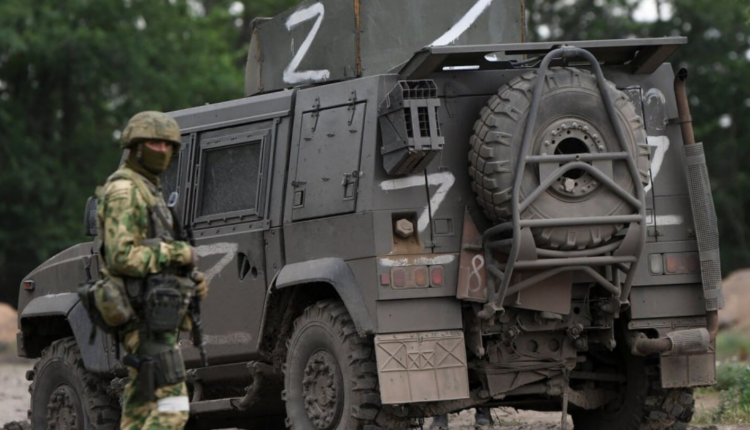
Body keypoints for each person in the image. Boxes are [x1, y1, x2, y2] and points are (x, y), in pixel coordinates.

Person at [96, 111, 209, 430]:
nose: (162, 150)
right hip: (141, 315)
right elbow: (121, 256)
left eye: (167, 144)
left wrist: (189, 278)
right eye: (153, 143)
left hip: (155, 315)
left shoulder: (149, 190)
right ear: (135, 147)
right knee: (171, 406)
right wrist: (176, 251)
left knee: (140, 407)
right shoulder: (125, 191)